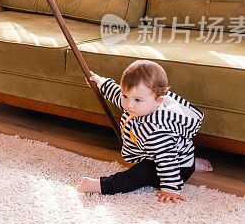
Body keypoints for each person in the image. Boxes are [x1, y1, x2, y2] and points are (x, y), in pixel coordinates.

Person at [76, 60, 213, 203]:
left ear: (158, 101)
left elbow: (168, 161)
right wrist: (99, 82)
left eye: (136, 100)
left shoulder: (157, 131)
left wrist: (170, 189)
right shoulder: (139, 104)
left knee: (140, 173)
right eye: (125, 96)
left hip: (175, 168)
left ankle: (103, 185)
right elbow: (117, 93)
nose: (128, 104)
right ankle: (191, 163)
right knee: (163, 156)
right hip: (176, 156)